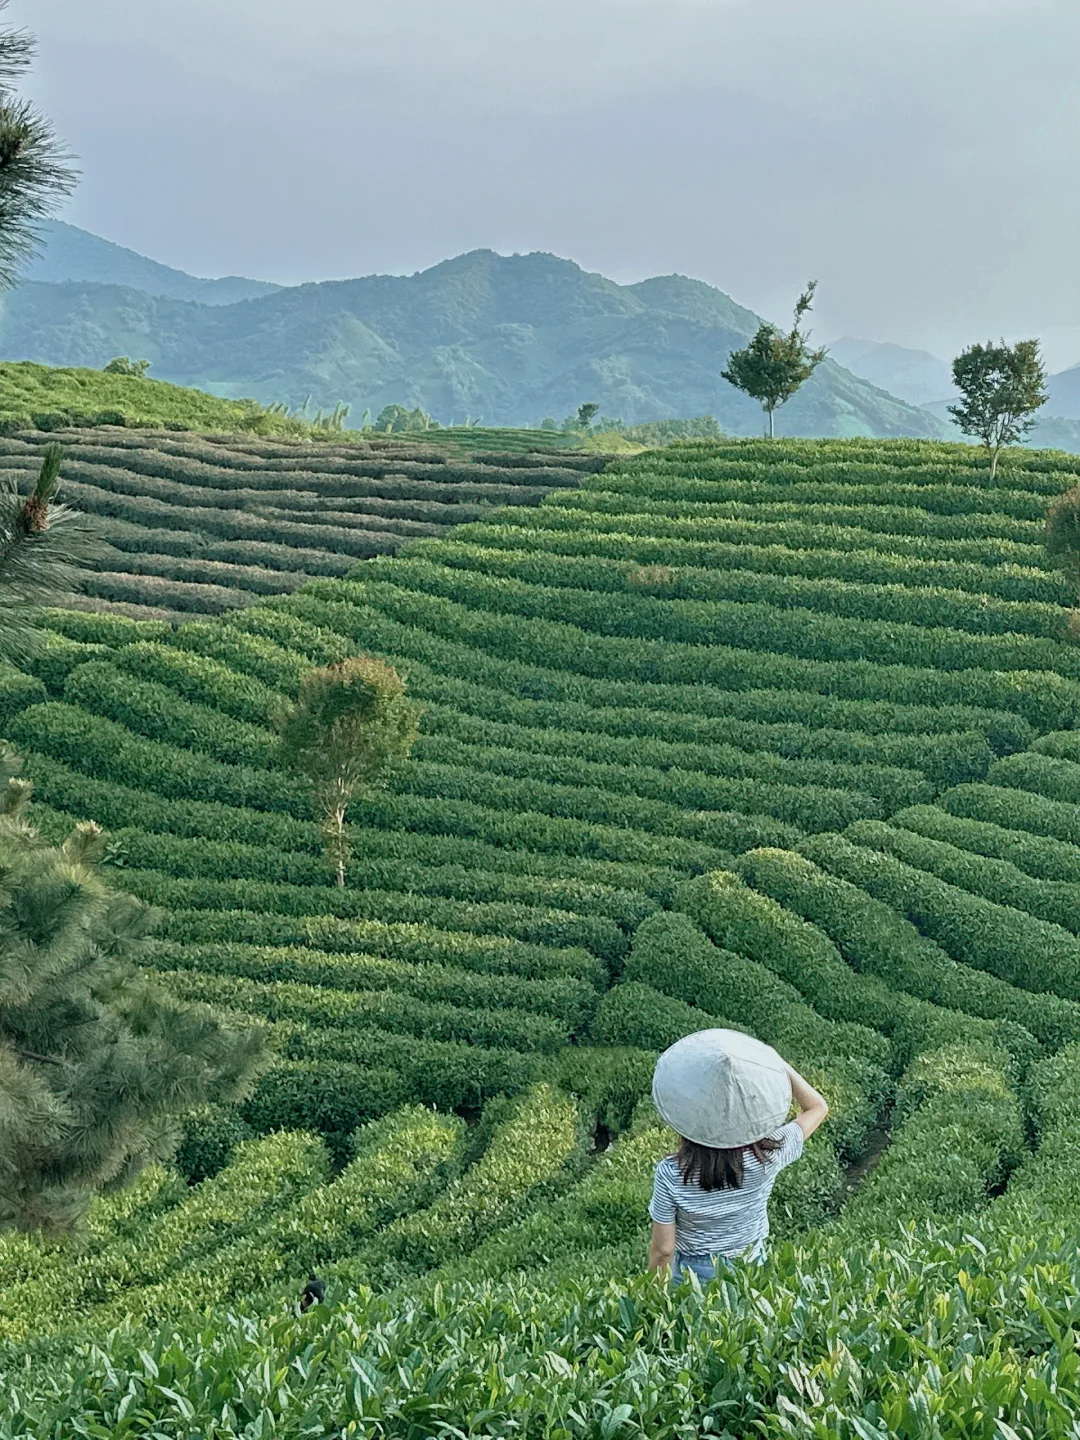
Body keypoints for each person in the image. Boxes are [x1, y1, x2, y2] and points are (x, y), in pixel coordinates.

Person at [646, 1028, 829, 1282]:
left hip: (693, 1274)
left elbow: (663, 1250)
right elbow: (817, 1107)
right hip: (751, 1268)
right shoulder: (769, 1155)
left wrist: (654, 1294)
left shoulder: (672, 1173)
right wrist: (774, 1063)